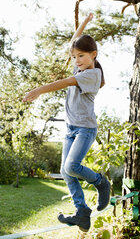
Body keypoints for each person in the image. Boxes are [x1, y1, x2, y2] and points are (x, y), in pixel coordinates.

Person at [23, 13, 110, 232]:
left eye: (81, 56)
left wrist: (38, 91)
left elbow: (65, 82)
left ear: (93, 55)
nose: (77, 60)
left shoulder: (92, 74)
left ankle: (100, 182)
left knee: (72, 166)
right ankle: (82, 212)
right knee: (65, 171)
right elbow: (75, 40)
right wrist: (85, 23)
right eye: (74, 57)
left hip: (85, 129)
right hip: (71, 129)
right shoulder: (80, 67)